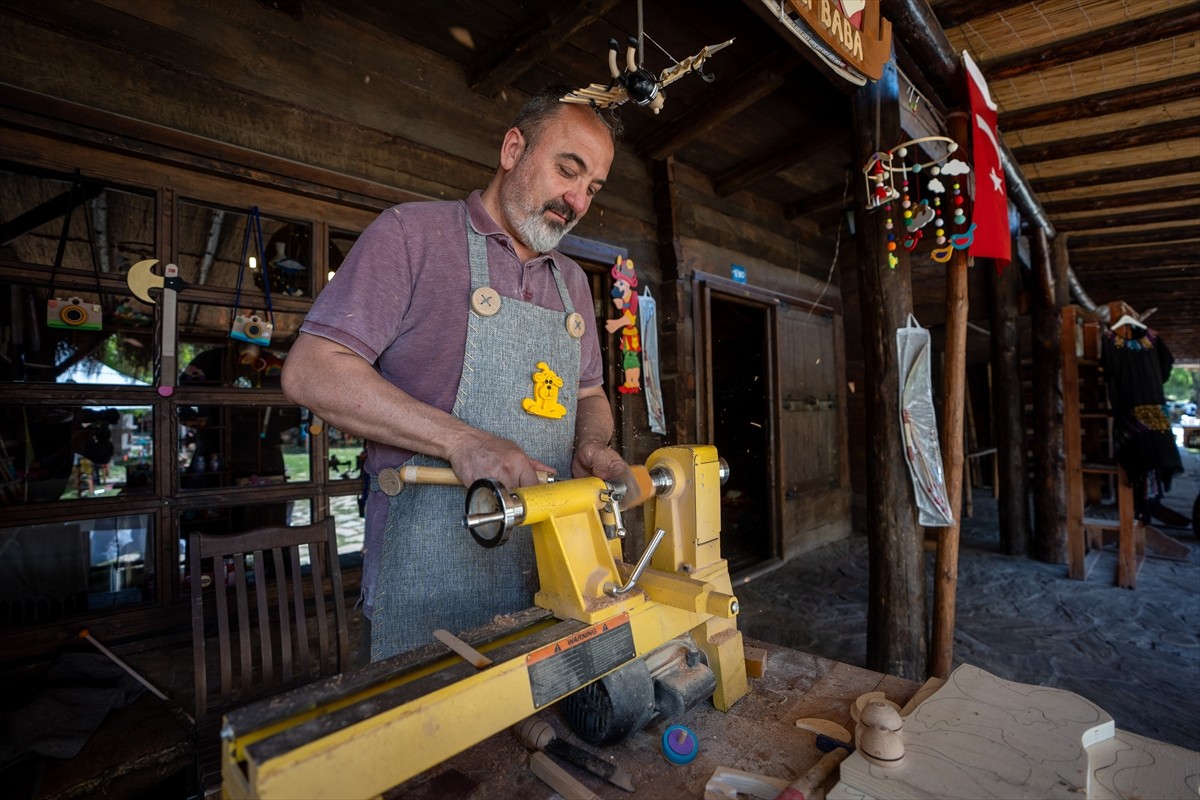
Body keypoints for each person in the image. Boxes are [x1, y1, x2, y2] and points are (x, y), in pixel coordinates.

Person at [282, 87, 629, 663]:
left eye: (592, 188)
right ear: (513, 148)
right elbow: (313, 371)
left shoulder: (574, 284)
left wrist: (590, 443)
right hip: (427, 571)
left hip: (548, 567)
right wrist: (462, 441)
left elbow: (589, 394)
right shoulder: (411, 236)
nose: (577, 200)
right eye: (567, 171)